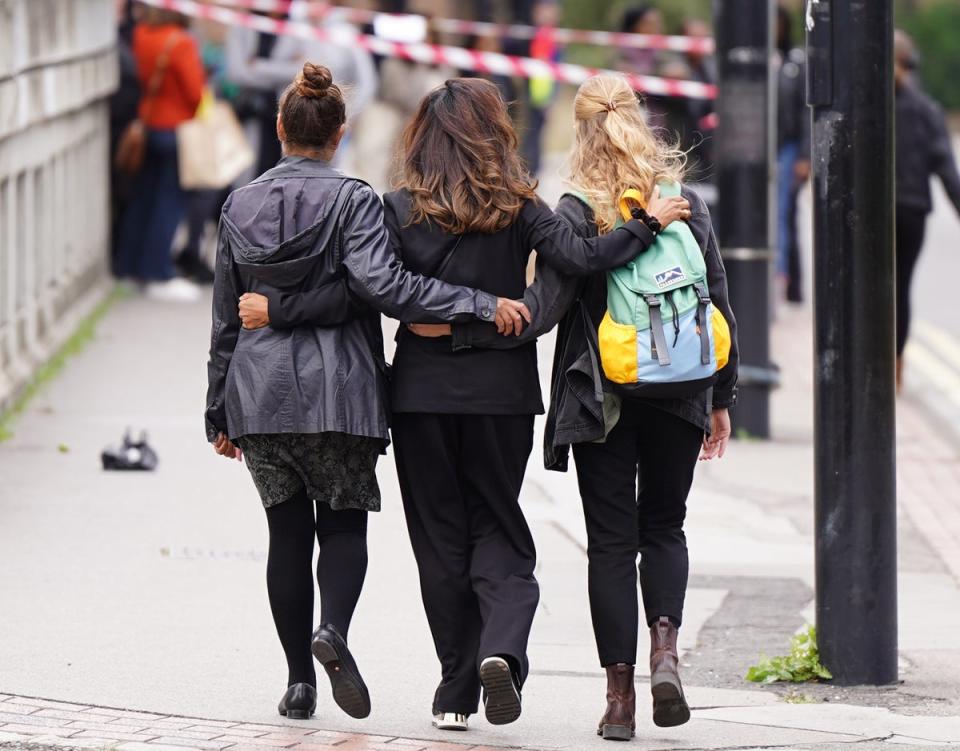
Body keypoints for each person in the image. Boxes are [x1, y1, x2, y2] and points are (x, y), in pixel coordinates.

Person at [236, 77, 685, 733]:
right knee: (498, 527)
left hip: (419, 394)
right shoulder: (522, 206)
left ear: (421, 138)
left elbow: (375, 287)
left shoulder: (396, 208)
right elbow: (581, 259)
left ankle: (455, 685)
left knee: (440, 538)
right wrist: (644, 226)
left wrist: (281, 309)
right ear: (493, 134)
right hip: (501, 394)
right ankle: (500, 646)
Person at [204, 63, 530, 723]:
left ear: (278, 128)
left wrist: (217, 406)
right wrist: (477, 301)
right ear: (340, 132)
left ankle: (299, 679)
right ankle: (335, 629)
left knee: (286, 533)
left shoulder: (238, 204)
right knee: (344, 521)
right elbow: (384, 288)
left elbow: (224, 315)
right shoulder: (355, 201)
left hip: (260, 391)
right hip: (341, 391)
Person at [434, 74, 738, 741]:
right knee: (665, 527)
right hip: (684, 387)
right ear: (640, 120)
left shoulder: (577, 211)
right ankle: (665, 649)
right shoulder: (684, 202)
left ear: (580, 131)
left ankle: (621, 698)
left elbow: (547, 309)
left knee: (611, 543)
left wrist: (480, 322)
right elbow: (717, 297)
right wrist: (721, 397)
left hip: (603, 396)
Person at [114, 6, 205, 301]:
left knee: (142, 200)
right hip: (174, 128)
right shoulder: (180, 41)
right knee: (168, 204)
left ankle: (128, 267)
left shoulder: (141, 34)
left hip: (146, 126)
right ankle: (158, 272)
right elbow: (194, 93)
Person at [894, 29, 960, 390]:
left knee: (869, 291)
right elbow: (947, 170)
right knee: (900, 288)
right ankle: (896, 366)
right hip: (912, 211)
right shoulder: (927, 110)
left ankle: (871, 362)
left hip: (872, 217)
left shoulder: (862, 108)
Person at [775, 5, 810, 303]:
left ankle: (785, 279)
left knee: (783, 213)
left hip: (787, 148)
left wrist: (805, 156)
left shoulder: (795, 63)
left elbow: (804, 112)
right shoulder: (757, 60)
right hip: (759, 149)